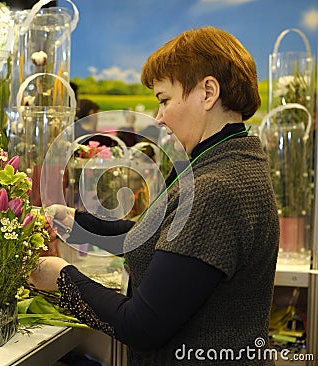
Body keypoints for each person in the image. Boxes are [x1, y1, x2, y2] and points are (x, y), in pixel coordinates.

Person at [30, 26, 279, 365]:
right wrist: (76, 223)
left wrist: (61, 278)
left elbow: (141, 326)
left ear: (207, 92)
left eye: (164, 100)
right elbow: (164, 243)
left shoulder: (216, 189)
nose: (159, 117)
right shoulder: (228, 161)